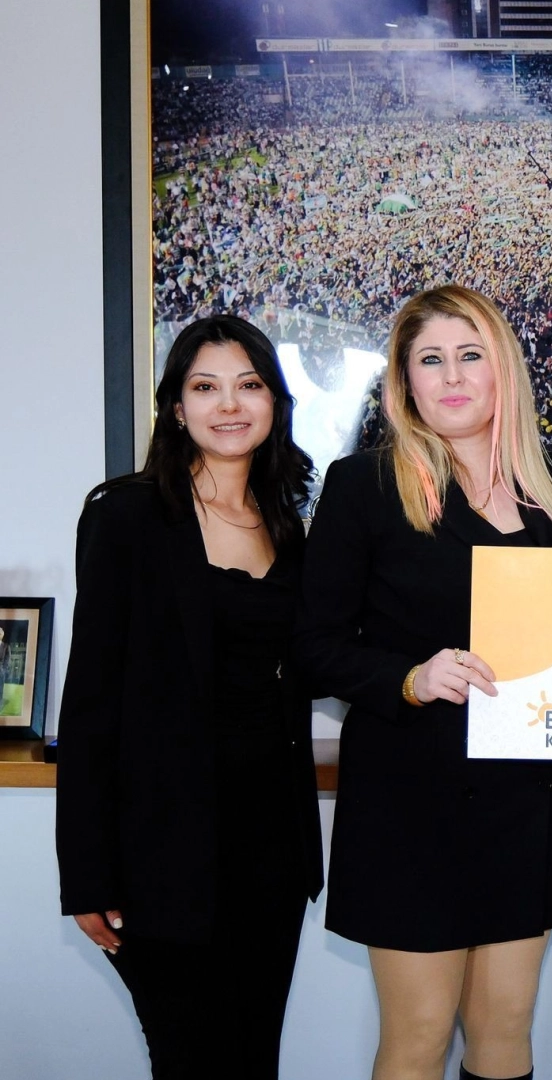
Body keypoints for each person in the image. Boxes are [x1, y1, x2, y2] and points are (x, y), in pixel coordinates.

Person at [295, 285, 552, 1080]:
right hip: (408, 804)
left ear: (502, 371)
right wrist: (409, 678)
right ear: (405, 381)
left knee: (506, 1028)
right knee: (419, 1034)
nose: (452, 376)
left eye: (469, 355)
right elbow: (312, 648)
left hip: (522, 801)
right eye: (430, 360)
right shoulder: (363, 485)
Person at [55, 315, 324, 1079]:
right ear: (177, 407)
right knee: (190, 1062)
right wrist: (87, 875)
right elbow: (90, 704)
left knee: (253, 1062)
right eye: (205, 387)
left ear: (274, 402)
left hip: (271, 853)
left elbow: (314, 663)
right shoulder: (127, 516)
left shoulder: (288, 526)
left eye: (249, 385)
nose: (228, 405)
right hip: (161, 855)